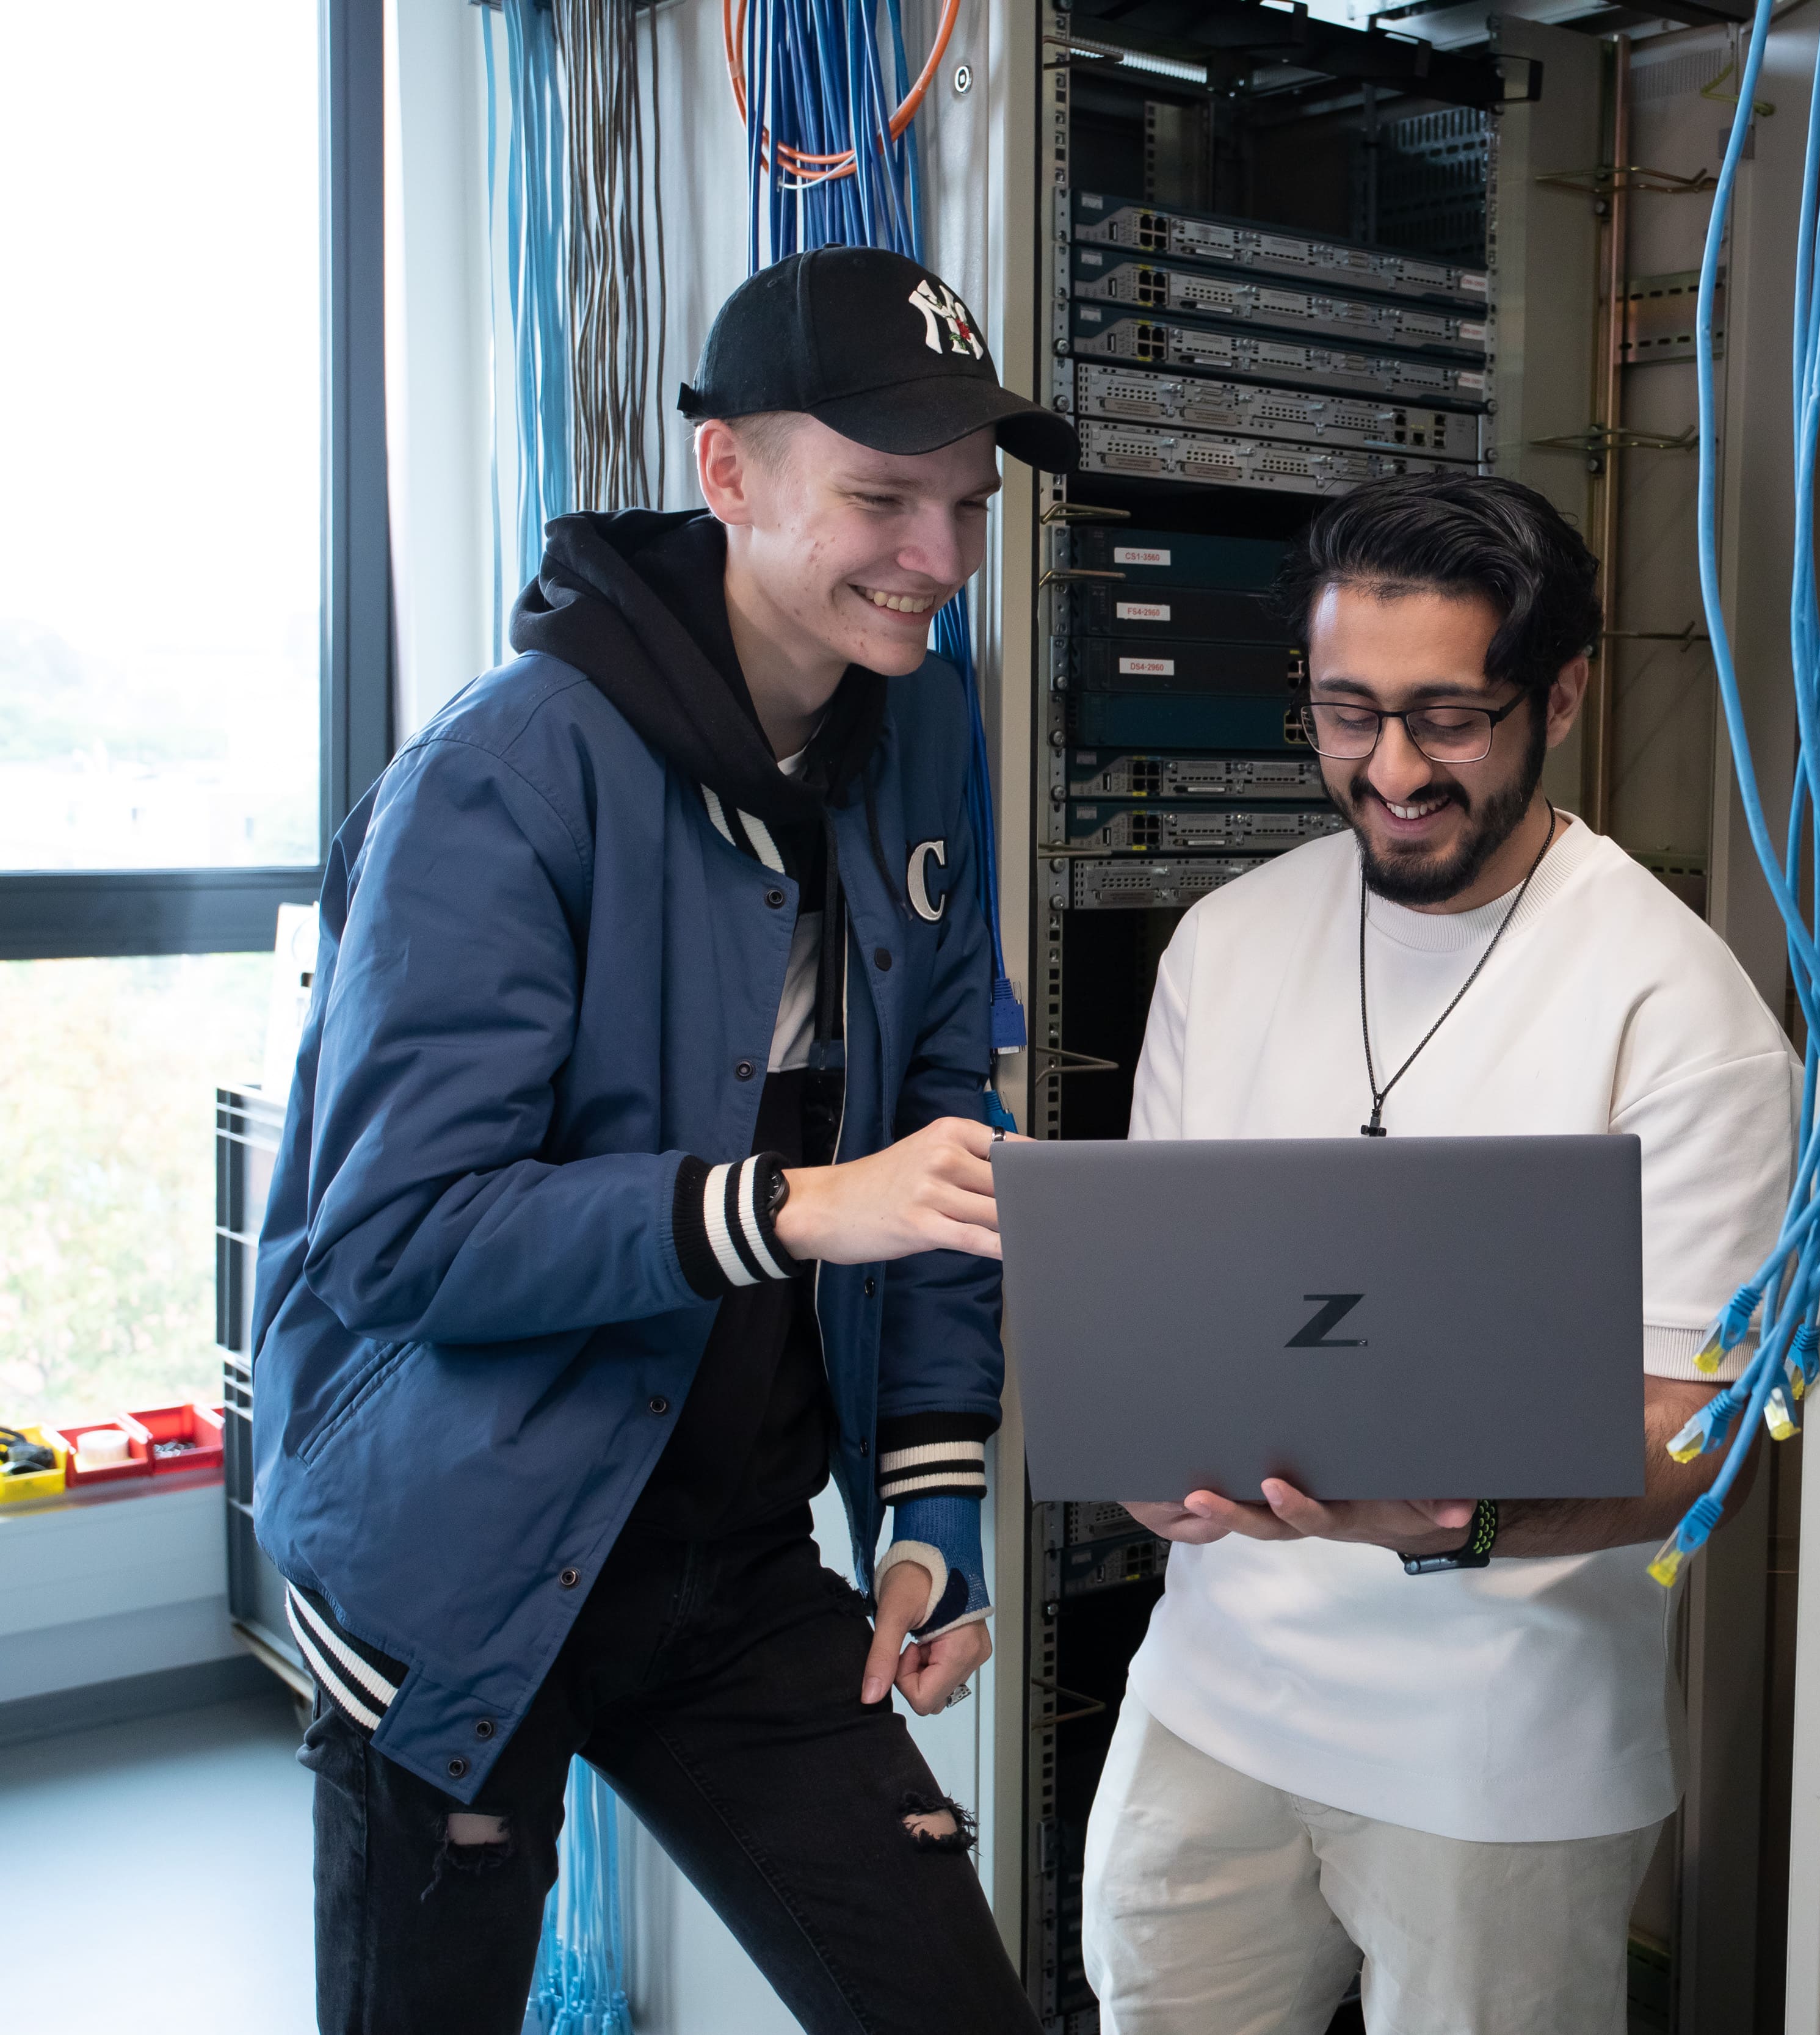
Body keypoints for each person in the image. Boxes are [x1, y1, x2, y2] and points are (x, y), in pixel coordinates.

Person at [250, 245, 1065, 2034]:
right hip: (457, 1564)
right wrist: (784, 1204)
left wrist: (929, 1498)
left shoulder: (923, 713)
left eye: (963, 504)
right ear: (728, 475)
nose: (936, 559)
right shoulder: (508, 768)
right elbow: (398, 1235)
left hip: (730, 1554)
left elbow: (945, 1121)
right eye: (879, 499)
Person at [1082, 473, 1799, 2033]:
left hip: (1502, 1757)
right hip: (1207, 1708)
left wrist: (1453, 1519)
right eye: (1347, 714)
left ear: (1561, 693)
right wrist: (1141, 1451)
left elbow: (1702, 1427)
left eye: (1448, 718)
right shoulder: (1226, 942)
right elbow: (1155, 1309)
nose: (1392, 769)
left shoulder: (1676, 1012)